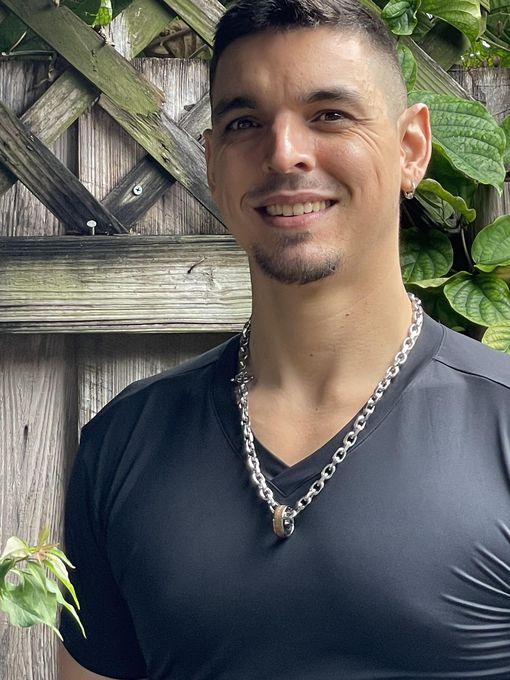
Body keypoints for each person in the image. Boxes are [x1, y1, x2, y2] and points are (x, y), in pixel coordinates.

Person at [59, 0, 510, 678]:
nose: (284, 152)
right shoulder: (122, 444)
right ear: (214, 164)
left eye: (329, 114)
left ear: (411, 149)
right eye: (245, 123)